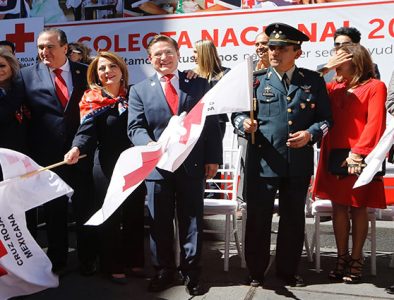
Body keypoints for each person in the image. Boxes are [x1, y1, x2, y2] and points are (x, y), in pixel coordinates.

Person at [232, 23, 332, 287]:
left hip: (297, 163)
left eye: (281, 48)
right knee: (257, 219)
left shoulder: (313, 81)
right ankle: (256, 270)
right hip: (262, 162)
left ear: (297, 53)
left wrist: (310, 134)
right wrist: (243, 123)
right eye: (272, 47)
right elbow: (236, 113)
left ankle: (287, 271)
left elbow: (325, 119)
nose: (274, 52)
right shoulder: (254, 79)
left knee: (292, 220)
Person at [128, 34, 222, 296]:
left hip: (191, 165)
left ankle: (191, 272)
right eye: (157, 54)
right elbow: (135, 127)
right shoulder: (139, 90)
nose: (163, 58)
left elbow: (211, 123)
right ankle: (163, 270)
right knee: (159, 222)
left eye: (168, 52)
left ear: (178, 55)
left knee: (191, 220)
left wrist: (213, 157)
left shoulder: (198, 84)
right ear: (150, 59)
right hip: (157, 167)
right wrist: (150, 146)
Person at [15, 28, 97, 275]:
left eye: (49, 46)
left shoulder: (86, 72)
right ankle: (57, 260)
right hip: (47, 156)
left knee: (85, 208)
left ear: (65, 48)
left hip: (82, 154)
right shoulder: (26, 76)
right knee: (54, 211)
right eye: (40, 47)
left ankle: (88, 259)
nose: (44, 52)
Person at [64, 51, 146, 284]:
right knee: (110, 214)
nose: (107, 71)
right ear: (96, 74)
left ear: (121, 70)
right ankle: (113, 265)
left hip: (134, 162)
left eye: (112, 66)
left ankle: (135, 261)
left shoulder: (136, 95)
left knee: (134, 212)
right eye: (101, 68)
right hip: (105, 164)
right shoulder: (91, 98)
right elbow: (85, 133)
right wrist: (76, 149)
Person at [313, 44, 386, 284]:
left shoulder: (375, 86)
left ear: (355, 62)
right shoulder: (334, 87)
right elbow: (311, 91)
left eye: (340, 62)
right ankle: (341, 258)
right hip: (335, 155)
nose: (336, 68)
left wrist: (358, 153)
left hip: (360, 157)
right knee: (338, 208)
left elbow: (375, 123)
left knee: (358, 207)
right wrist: (326, 68)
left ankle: (356, 259)